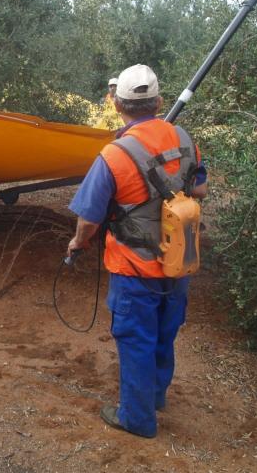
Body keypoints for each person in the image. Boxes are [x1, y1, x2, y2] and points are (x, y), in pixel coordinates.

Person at [67, 64, 208, 438]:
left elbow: (89, 220)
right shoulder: (184, 137)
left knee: (136, 341)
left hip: (134, 270)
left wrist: (77, 244)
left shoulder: (113, 155)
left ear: (117, 105)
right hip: (178, 262)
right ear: (159, 102)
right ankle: (155, 397)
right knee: (164, 334)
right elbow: (200, 191)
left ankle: (137, 418)